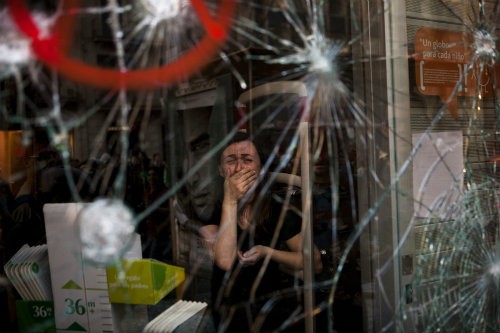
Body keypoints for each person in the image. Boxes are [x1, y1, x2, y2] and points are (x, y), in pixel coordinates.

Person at [200, 132, 323, 332]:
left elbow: (314, 263)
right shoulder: (216, 210)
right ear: (221, 171)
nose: (239, 168)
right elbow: (225, 260)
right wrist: (230, 200)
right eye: (231, 161)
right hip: (227, 312)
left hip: (267, 311)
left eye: (247, 160)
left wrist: (267, 252)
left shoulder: (277, 210)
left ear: (261, 168)